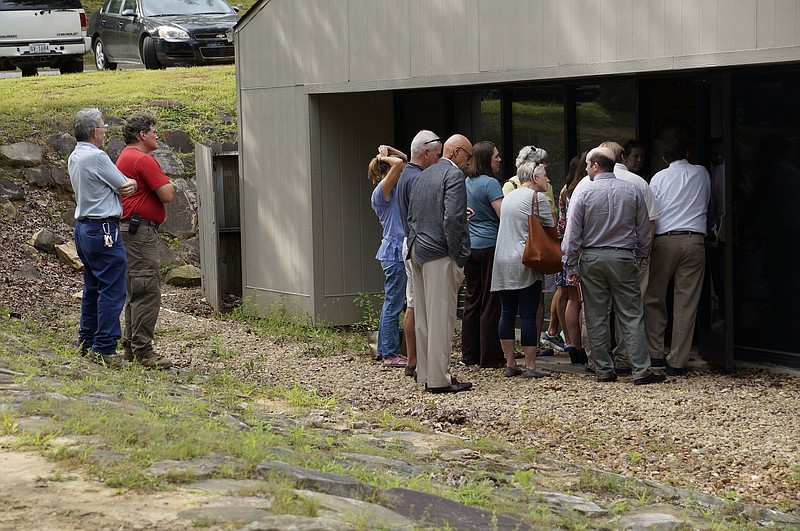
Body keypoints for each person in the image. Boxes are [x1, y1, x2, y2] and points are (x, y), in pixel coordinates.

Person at [562, 146, 664, 385]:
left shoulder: (584, 191)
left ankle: (603, 370)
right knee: (631, 315)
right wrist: (640, 257)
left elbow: (572, 233)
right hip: (623, 256)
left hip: (592, 258)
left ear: (596, 166)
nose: (585, 168)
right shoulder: (632, 190)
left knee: (596, 315)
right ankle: (641, 370)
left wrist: (571, 266)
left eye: (587, 165)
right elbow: (643, 230)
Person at [68, 108, 137, 368]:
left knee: (93, 286)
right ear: (95, 131)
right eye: (103, 127)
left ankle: (86, 341)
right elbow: (124, 185)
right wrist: (131, 184)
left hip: (84, 227)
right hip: (104, 228)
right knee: (113, 288)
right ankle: (105, 347)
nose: (105, 131)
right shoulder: (97, 157)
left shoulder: (75, 155)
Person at [407, 134, 473, 394]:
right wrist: (459, 255)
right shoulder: (453, 176)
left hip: (417, 250)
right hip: (439, 252)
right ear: (456, 152)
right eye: (467, 157)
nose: (469, 163)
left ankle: (425, 372)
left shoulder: (424, 175)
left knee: (423, 317)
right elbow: (453, 219)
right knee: (442, 318)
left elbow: (412, 215)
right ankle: (439, 379)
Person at [644, 137, 710, 376]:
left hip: (665, 239)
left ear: (664, 158)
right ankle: (678, 360)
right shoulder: (702, 173)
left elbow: (651, 210)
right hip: (694, 239)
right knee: (686, 302)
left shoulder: (658, 178)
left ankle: (655, 353)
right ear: (688, 151)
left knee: (654, 297)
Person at [117, 114, 176, 370]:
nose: (156, 135)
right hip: (140, 232)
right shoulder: (142, 159)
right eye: (153, 131)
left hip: (131, 230)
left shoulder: (125, 157)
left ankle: (131, 345)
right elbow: (167, 194)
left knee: (135, 289)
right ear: (142, 134)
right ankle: (143, 351)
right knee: (146, 289)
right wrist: (168, 183)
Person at [599, 141, 660, 373]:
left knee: (597, 311)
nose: (639, 161)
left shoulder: (587, 184)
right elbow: (650, 222)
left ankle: (599, 360)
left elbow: (576, 227)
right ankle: (625, 358)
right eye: (635, 156)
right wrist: (645, 253)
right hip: (630, 254)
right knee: (631, 309)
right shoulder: (638, 184)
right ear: (622, 158)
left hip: (595, 255)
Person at [491, 161, 553, 378]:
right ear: (535, 178)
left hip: (502, 259)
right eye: (545, 175)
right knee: (527, 314)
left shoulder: (508, 197)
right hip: (525, 259)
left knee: (507, 312)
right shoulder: (538, 199)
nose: (548, 180)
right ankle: (530, 365)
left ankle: (510, 363)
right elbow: (551, 226)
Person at [507, 146, 562, 356]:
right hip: (524, 249)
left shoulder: (546, 187)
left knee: (538, 299)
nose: (545, 168)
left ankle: (535, 344)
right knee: (520, 305)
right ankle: (525, 353)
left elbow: (553, 216)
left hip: (539, 248)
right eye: (541, 163)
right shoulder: (511, 186)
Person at [396, 130, 442, 377]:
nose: (438, 160)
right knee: (417, 304)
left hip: (409, 241)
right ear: (426, 153)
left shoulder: (406, 174)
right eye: (436, 155)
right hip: (419, 244)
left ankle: (413, 360)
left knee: (413, 302)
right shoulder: (417, 179)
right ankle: (417, 360)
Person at [461, 141, 504, 368]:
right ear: (487, 159)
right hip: (490, 247)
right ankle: (489, 356)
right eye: (496, 156)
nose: (499, 159)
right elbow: (503, 214)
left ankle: (469, 354)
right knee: (490, 300)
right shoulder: (491, 184)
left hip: (471, 247)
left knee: (472, 299)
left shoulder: (466, 182)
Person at [368, 144, 408, 368]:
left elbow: (404, 159)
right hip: (393, 254)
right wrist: (383, 157)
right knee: (393, 303)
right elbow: (401, 163)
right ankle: (390, 354)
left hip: (396, 252)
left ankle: (386, 351)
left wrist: (389, 149)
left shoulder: (391, 192)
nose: (401, 174)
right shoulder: (381, 193)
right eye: (397, 172)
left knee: (393, 302)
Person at [557, 152, 588, 364]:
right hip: (584, 248)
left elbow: (561, 224)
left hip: (567, 248)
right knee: (585, 300)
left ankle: (572, 344)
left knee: (571, 298)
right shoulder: (586, 190)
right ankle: (586, 346)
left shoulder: (564, 192)